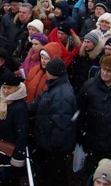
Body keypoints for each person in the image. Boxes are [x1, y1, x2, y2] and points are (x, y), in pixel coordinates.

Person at [28, 57, 78, 185]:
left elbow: (62, 125)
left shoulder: (61, 95)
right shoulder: (54, 87)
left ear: (52, 73)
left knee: (55, 178)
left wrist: (52, 147)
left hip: (54, 150)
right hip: (48, 145)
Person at [0, 72, 29, 183]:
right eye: (4, 87)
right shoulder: (2, 100)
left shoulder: (19, 107)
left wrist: (17, 158)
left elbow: (22, 134)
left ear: (17, 88)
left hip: (10, 151)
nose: (6, 91)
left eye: (9, 88)